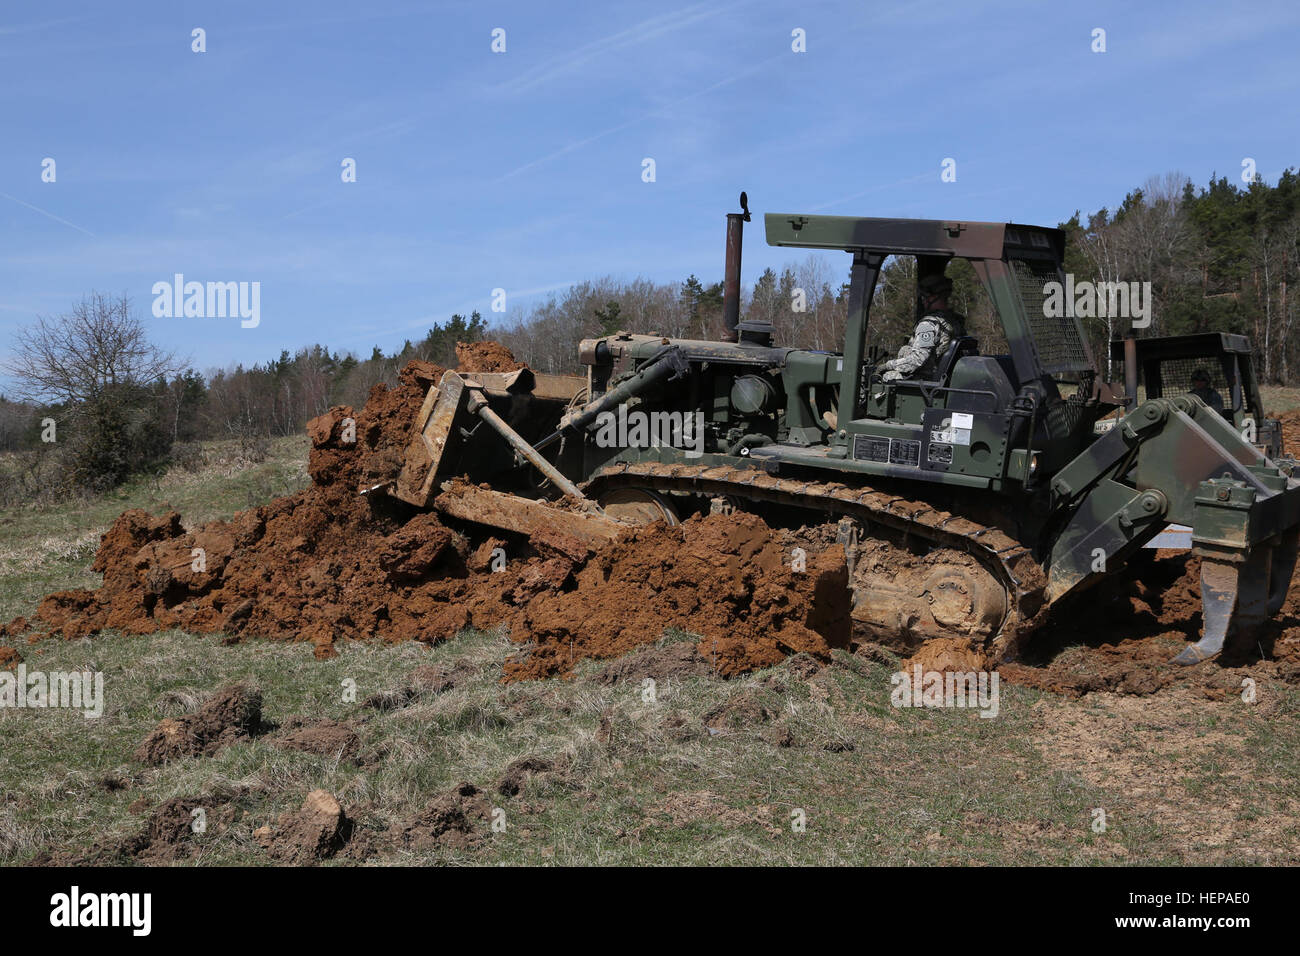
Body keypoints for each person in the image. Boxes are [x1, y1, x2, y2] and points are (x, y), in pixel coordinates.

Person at [880, 273, 966, 382]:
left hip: (925, 380)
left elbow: (917, 360)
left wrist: (887, 366)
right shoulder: (954, 321)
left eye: (924, 296)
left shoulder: (928, 324)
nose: (923, 300)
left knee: (885, 377)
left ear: (934, 297)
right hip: (944, 379)